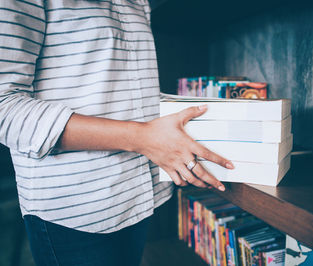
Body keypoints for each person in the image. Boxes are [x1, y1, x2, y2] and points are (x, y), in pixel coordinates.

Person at [0, 1, 233, 265]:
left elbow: (123, 90)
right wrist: (144, 137)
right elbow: (4, 108)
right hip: (78, 210)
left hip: (140, 196)